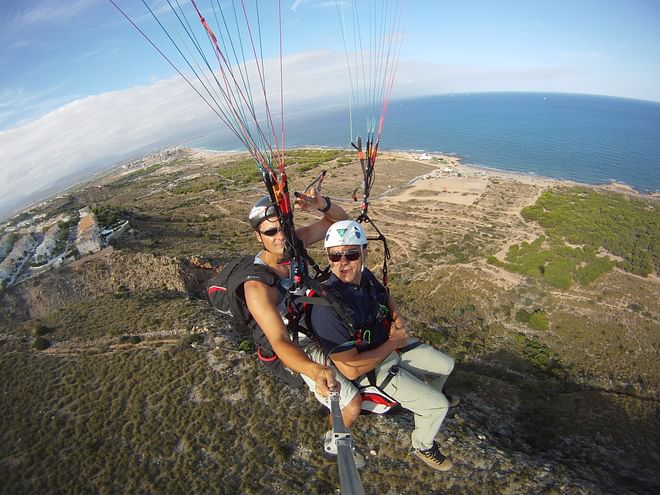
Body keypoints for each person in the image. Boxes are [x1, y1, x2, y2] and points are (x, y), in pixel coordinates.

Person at [308, 219, 459, 472]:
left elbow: (385, 295)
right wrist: (394, 342)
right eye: (335, 256)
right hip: (372, 366)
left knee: (446, 365)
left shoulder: (364, 277)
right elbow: (351, 369)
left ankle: (421, 402)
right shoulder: (327, 306)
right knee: (438, 405)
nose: (343, 262)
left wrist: (396, 318)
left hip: (388, 346)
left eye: (351, 254)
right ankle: (423, 444)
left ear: (365, 252)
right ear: (328, 257)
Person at [242, 189, 353, 401]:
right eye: (271, 232)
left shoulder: (295, 243)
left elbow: (338, 221)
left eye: (284, 227)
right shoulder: (257, 287)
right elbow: (279, 340)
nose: (281, 236)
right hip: (298, 339)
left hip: (317, 320)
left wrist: (322, 204)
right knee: (352, 402)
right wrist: (315, 371)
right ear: (258, 236)